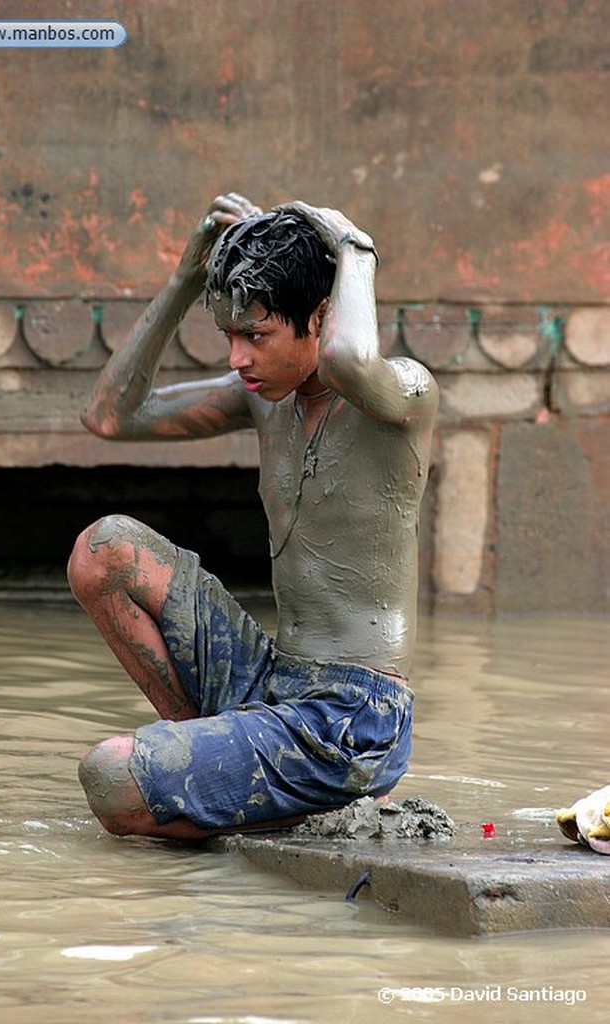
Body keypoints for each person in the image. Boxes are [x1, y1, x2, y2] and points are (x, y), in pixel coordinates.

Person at [68, 191, 438, 840]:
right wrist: (186, 276)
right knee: (105, 549)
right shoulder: (264, 399)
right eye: (230, 336)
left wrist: (352, 245)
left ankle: (254, 799)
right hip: (271, 680)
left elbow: (351, 362)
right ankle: (216, 764)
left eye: (256, 336)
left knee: (109, 774)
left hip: (349, 717)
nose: (237, 358)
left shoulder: (401, 393)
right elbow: (108, 416)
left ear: (319, 318)